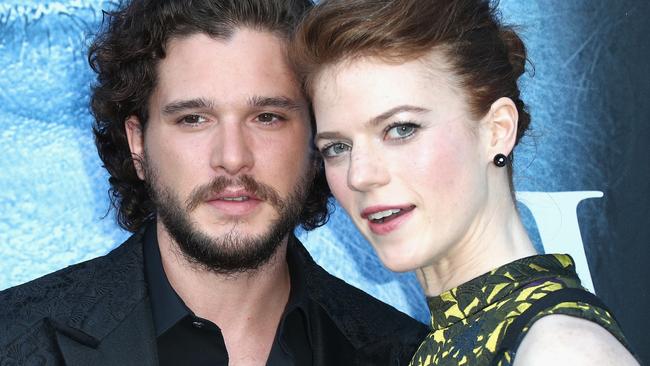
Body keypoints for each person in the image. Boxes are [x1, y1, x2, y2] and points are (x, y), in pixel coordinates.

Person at [0, 0, 429, 364]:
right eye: (193, 119)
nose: (233, 158)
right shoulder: (14, 340)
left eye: (267, 117)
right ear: (137, 143)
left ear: (317, 141)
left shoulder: (409, 355)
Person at [290, 0, 640, 364]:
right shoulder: (447, 342)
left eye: (401, 129)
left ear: (497, 130)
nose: (359, 175)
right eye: (337, 147)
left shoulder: (561, 350)